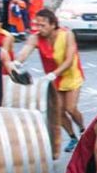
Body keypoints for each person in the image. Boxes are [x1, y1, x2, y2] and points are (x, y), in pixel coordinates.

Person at [16, 9, 86, 154]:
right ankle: (73, 137)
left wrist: (54, 74)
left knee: (70, 108)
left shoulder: (67, 35)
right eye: (37, 25)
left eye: (43, 25)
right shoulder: (35, 38)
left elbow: (69, 60)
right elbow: (25, 51)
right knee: (58, 111)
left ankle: (83, 129)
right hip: (54, 78)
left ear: (53, 24)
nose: (39, 28)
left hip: (71, 75)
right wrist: (16, 63)